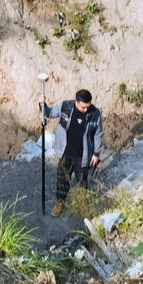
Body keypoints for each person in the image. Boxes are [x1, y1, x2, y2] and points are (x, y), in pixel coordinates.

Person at [41, 88, 103, 217]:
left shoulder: (95, 113)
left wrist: (96, 154)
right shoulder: (66, 107)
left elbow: (98, 134)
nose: (86, 110)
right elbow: (49, 113)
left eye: (88, 106)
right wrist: (42, 104)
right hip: (66, 152)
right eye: (83, 107)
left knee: (82, 181)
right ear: (76, 102)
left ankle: (82, 204)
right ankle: (60, 202)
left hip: (83, 156)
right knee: (62, 178)